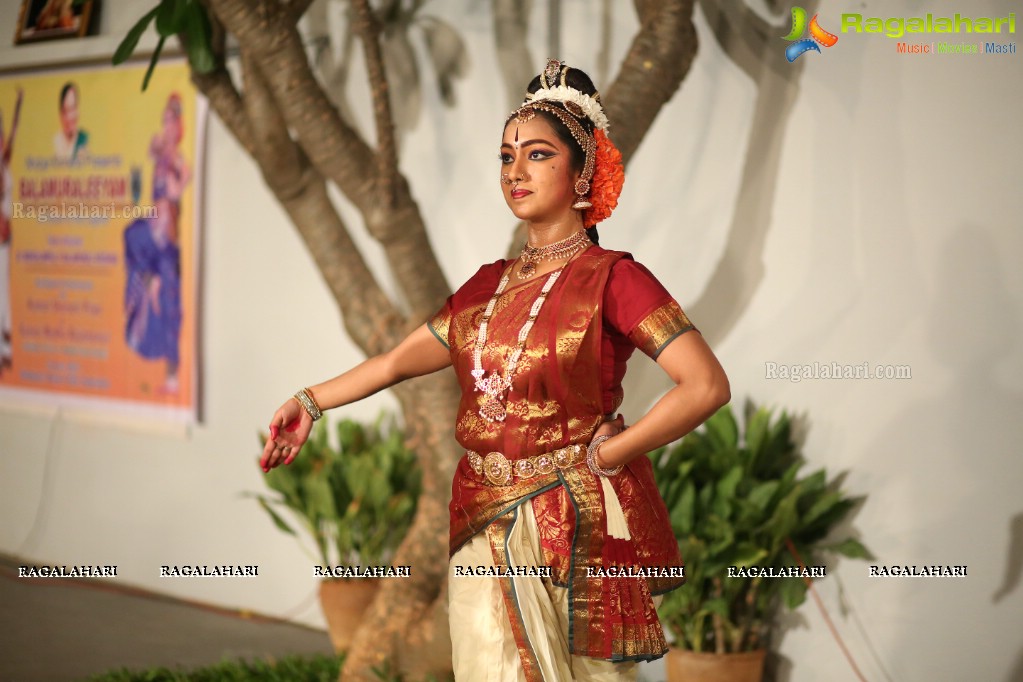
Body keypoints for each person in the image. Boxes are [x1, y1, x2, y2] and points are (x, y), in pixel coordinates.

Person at [262, 60, 729, 681]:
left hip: (570, 519)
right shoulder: (487, 286)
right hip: (483, 512)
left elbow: (705, 386)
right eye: (506, 157)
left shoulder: (614, 278)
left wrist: (616, 451)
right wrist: (311, 402)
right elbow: (400, 361)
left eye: (537, 155)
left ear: (583, 170)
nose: (515, 171)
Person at [0, 87, 23, 377]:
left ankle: (5, 349)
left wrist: (19, 104)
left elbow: (16, 131)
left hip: (6, 237)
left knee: (4, 293)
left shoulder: (5, 160)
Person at [53, 82, 88, 162]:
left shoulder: (84, 139)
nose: (69, 117)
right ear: (61, 113)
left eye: (73, 109)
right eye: (66, 111)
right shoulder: (56, 140)